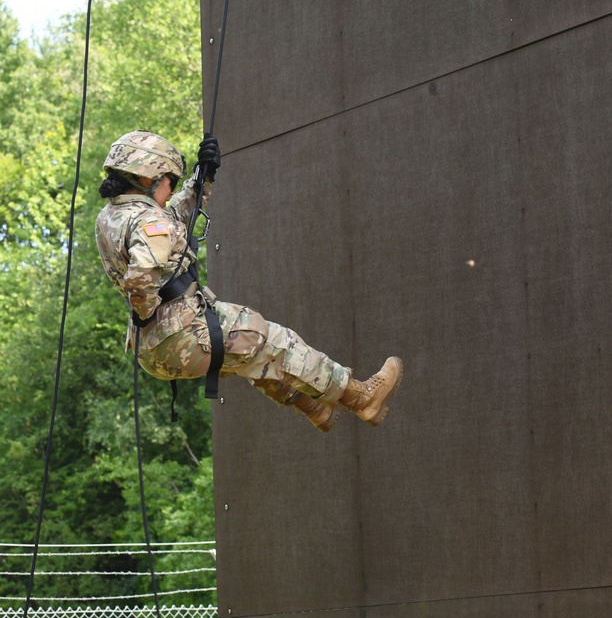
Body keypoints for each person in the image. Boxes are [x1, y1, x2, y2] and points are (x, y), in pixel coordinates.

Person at [94, 130, 403, 432]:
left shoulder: (113, 217)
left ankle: (312, 407)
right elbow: (141, 278)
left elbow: (173, 218)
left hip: (151, 347)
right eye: (169, 182)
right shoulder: (150, 220)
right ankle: (361, 397)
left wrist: (204, 178)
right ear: (148, 178)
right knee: (273, 340)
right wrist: (147, 308)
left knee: (251, 355)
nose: (172, 191)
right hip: (180, 333)